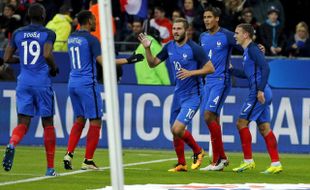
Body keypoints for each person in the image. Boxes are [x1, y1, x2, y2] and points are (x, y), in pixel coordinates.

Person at [63, 10, 143, 170]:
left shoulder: (72, 37)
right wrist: (128, 60)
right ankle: (88, 160)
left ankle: (69, 154)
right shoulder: (92, 40)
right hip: (87, 84)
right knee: (96, 120)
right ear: (87, 21)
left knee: (80, 118)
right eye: (93, 20)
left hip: (72, 83)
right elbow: (104, 62)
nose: (95, 23)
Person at [138, 18, 215, 172]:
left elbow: (210, 68)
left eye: (179, 29)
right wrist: (147, 48)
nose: (175, 32)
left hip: (194, 94)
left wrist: (191, 73)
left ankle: (198, 151)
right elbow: (152, 63)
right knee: (174, 131)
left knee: (177, 129)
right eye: (174, 29)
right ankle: (181, 163)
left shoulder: (194, 48)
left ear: (186, 31)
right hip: (178, 93)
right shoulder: (170, 47)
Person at [1, 3, 59, 176]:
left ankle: (12, 143)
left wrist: (25, 60)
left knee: (23, 122)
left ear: (28, 16)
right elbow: (47, 54)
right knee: (47, 123)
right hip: (42, 83)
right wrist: (54, 68)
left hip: (24, 82)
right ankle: (50, 168)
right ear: (43, 16)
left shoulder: (18, 33)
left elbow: (7, 57)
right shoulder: (48, 33)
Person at [231, 23, 282, 174]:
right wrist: (232, 70)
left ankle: (248, 161)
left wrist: (259, 90)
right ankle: (276, 163)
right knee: (264, 127)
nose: (235, 36)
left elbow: (266, 68)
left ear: (245, 35)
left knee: (241, 123)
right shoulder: (249, 51)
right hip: (263, 90)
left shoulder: (253, 49)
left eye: (237, 33)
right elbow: (248, 75)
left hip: (259, 91)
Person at [199, 6, 242, 171]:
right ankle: (221, 159)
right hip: (207, 81)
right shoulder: (202, 36)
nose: (207, 20)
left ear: (217, 19)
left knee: (208, 115)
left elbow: (245, 42)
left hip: (221, 80)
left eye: (209, 17)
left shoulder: (227, 35)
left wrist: (256, 48)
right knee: (212, 119)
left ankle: (217, 160)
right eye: (204, 17)